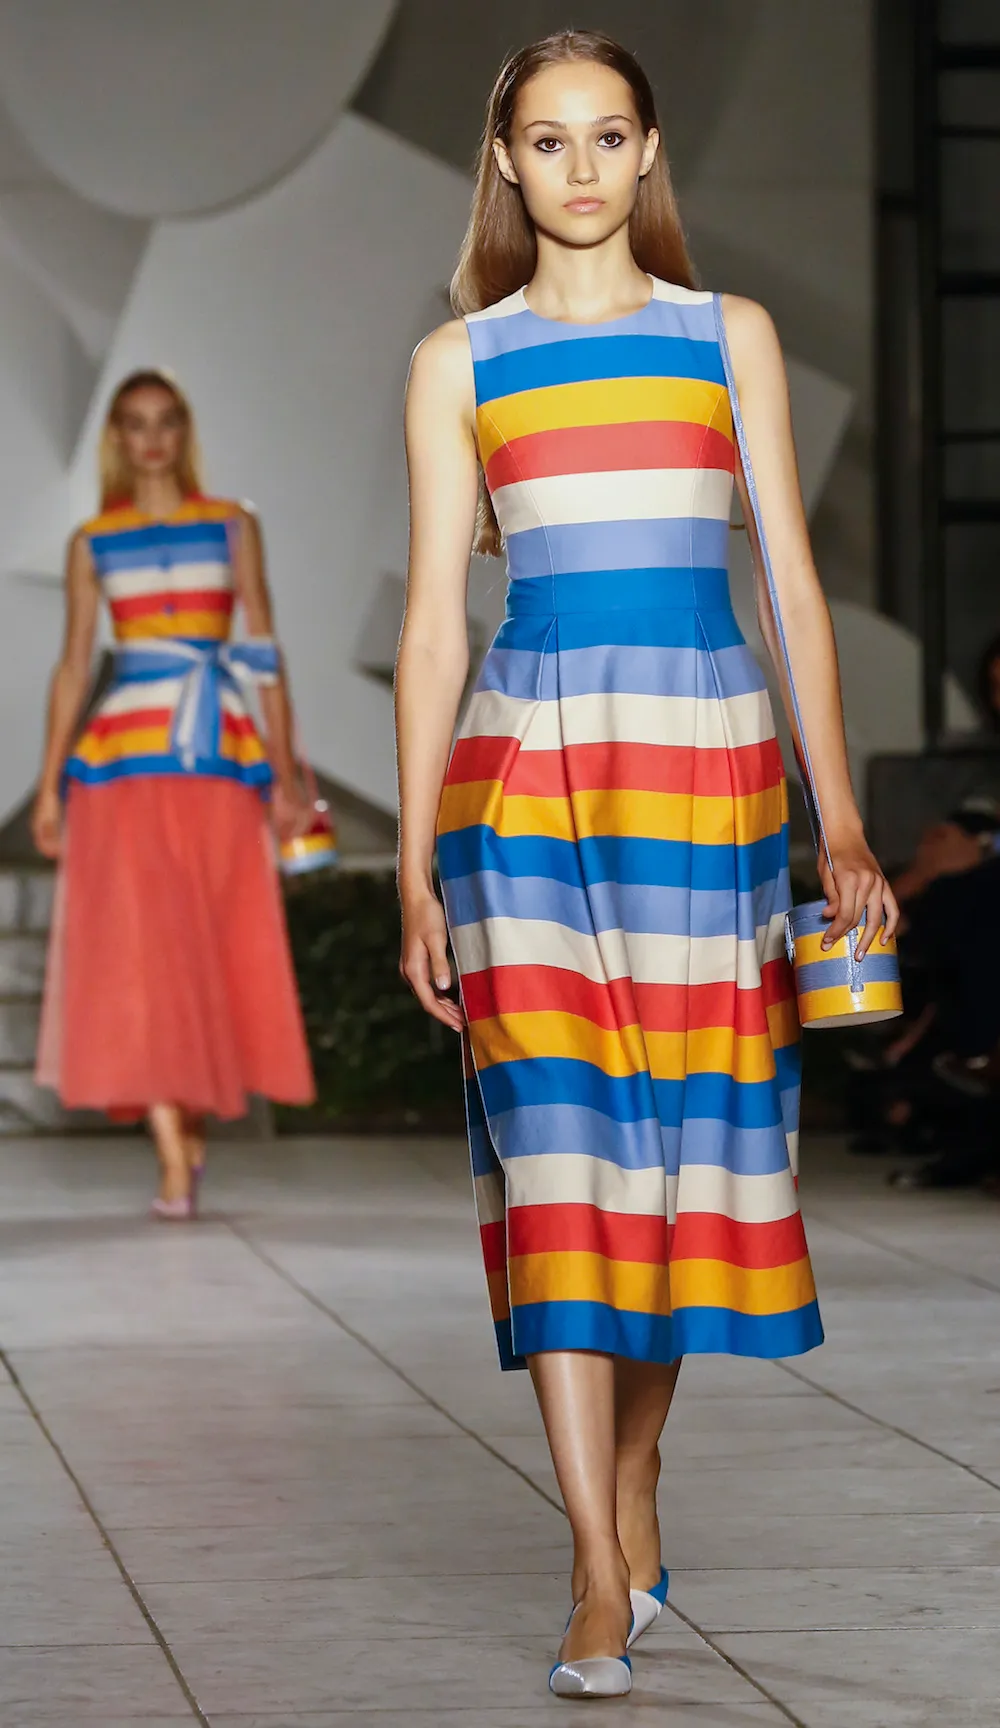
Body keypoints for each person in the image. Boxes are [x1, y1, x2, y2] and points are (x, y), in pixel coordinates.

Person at [394, 30, 897, 1700]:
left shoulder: (726, 336)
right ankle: (594, 1571)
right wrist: (411, 865)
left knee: (678, 1165)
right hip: (521, 784)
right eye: (549, 140)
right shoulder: (459, 361)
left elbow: (793, 585)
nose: (583, 168)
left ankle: (635, 1469)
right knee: (558, 1157)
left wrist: (836, 817)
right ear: (505, 162)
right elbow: (430, 622)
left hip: (705, 774)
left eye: (609, 136)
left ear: (651, 150)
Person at [33, 369, 315, 1216]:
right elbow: (73, 665)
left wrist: (287, 770)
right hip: (119, 764)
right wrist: (46, 787)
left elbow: (263, 647)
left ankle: (187, 1125)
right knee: (140, 952)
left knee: (208, 944)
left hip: (218, 759)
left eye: (165, 421)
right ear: (116, 438)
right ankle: (169, 1147)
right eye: (134, 423)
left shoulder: (232, 525)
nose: (151, 438)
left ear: (182, 431)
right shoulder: (92, 541)